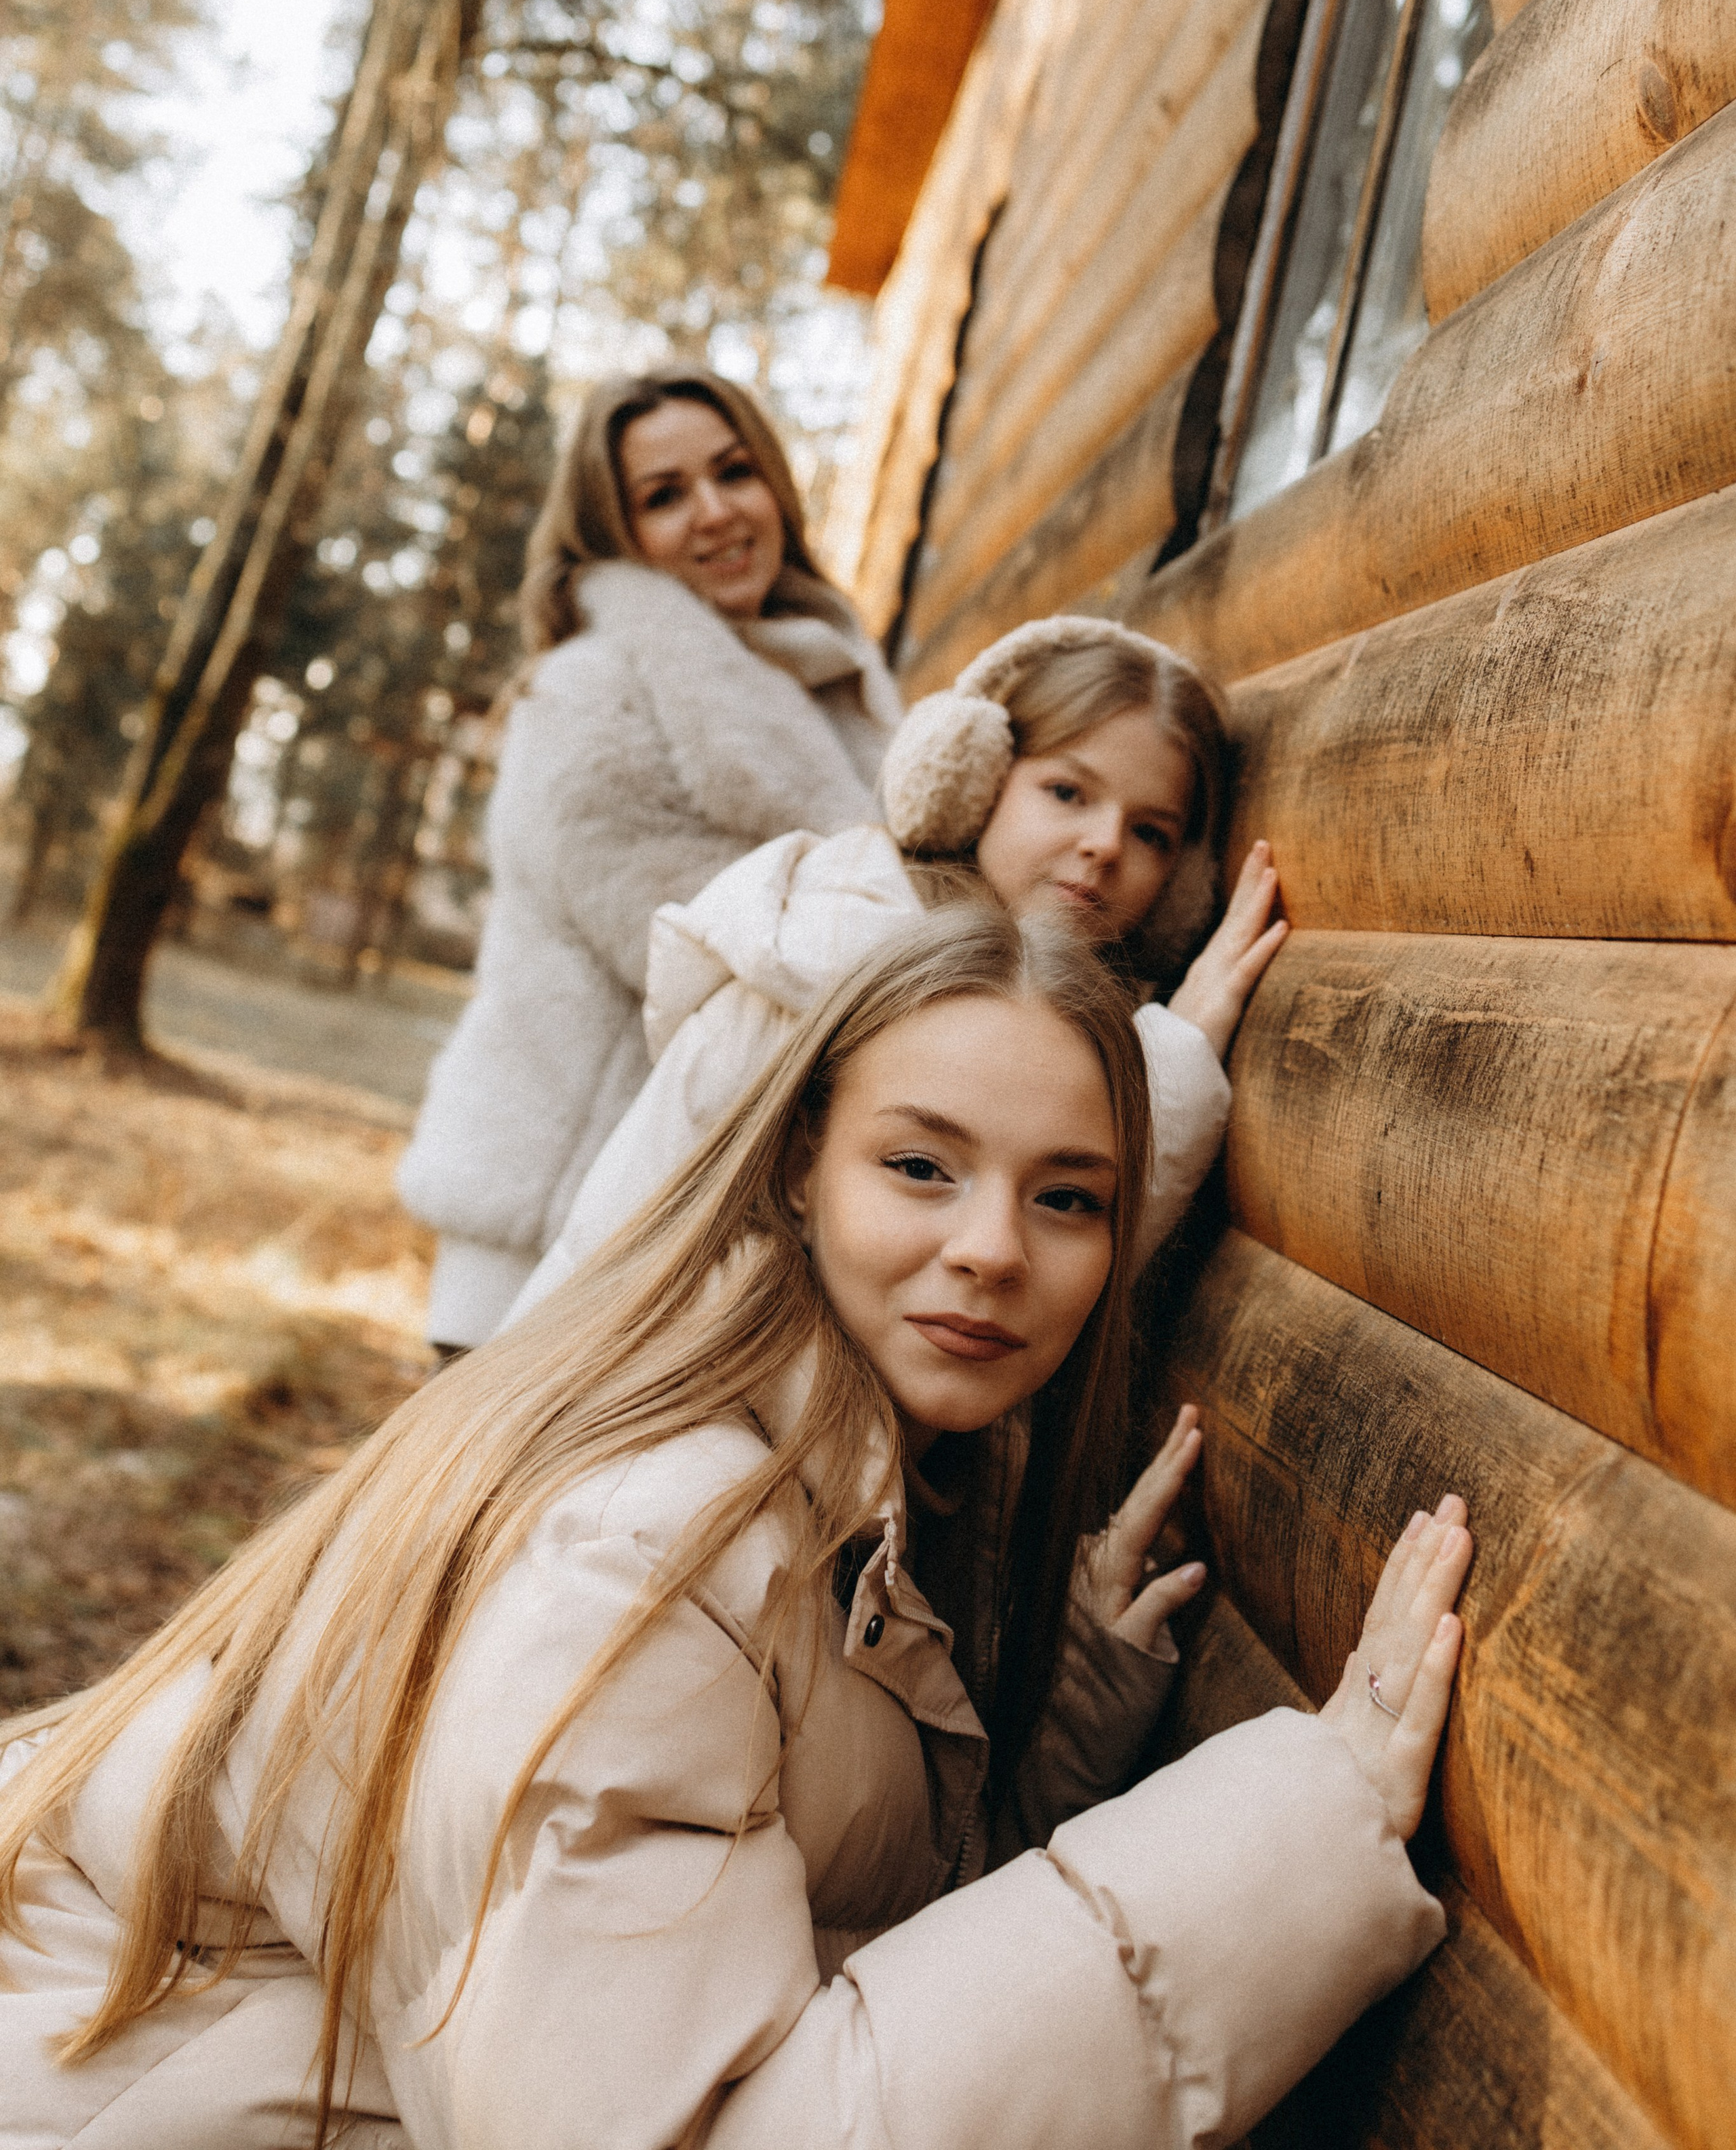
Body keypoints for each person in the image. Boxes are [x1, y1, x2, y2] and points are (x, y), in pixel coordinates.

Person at [0, 907, 1469, 2149]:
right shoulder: (649, 1554)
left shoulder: (827, 1469)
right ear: (796, 1170)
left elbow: (780, 1937)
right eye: (918, 1167)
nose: (990, 1249)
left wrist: (1066, 1732)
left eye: (1068, 1197)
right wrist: (1298, 1820)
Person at [502, 612, 1286, 1327]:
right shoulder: (824, 957)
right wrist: (1176, 1061)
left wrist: (1177, 1047)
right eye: (1066, 791)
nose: (1105, 844)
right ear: (968, 782)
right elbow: (655, 1247)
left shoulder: (1041, 1006)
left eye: (1151, 832)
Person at [397, 363, 901, 1353]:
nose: (715, 512)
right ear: (614, 532)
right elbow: (714, 947)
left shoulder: (823, 677)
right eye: (664, 498)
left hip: (698, 1251)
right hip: (554, 1247)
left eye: (734, 473)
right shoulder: (586, 697)